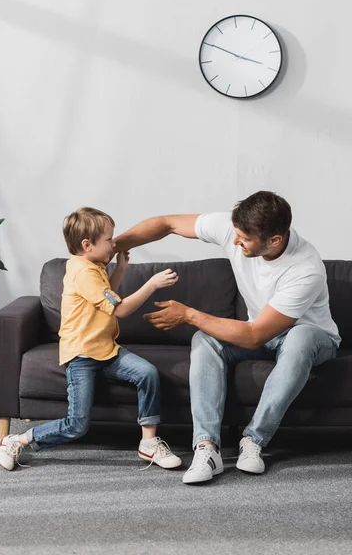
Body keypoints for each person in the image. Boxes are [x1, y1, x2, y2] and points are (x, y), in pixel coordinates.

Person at [113, 191, 341, 484]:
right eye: (236, 234)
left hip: (310, 339)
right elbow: (166, 223)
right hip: (260, 331)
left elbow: (255, 336)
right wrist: (110, 247)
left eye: (244, 239)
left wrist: (189, 315)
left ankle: (254, 439)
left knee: (301, 338)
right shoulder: (235, 230)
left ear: (274, 240)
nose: (234, 242)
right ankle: (207, 448)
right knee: (204, 339)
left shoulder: (306, 269)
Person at [0, 207, 182, 471]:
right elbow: (120, 309)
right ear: (87, 245)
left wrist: (121, 269)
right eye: (109, 239)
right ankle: (16, 441)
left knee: (147, 373)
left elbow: (106, 297)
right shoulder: (83, 273)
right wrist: (151, 284)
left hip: (106, 350)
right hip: (82, 354)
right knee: (77, 425)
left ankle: (148, 443)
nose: (114, 243)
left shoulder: (92, 266)